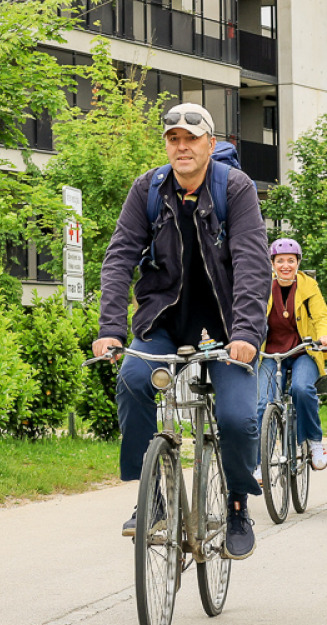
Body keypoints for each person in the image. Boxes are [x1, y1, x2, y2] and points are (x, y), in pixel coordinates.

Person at [92, 102, 269, 560]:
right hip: (163, 319)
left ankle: (236, 502)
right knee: (132, 379)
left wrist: (247, 333)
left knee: (235, 419)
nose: (182, 146)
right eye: (174, 139)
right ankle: (148, 496)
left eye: (191, 139)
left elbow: (253, 263)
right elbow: (119, 258)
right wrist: (110, 328)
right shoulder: (147, 190)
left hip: (229, 325)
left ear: (210, 143)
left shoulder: (236, 189)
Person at [260, 239, 327, 470]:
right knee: (263, 401)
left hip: (304, 351)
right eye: (280, 261)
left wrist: (324, 336)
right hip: (271, 355)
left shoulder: (308, 285)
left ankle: (314, 441)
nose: (285, 265)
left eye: (290, 261)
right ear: (272, 263)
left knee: (302, 389)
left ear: (298, 263)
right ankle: (259, 458)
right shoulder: (262, 285)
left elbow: (321, 316)